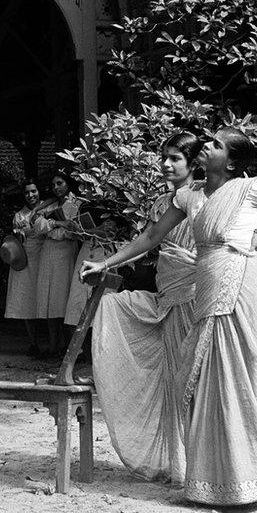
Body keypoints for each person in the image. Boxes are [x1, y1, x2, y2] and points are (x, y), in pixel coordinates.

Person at [82, 127, 257, 508]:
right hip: (209, 290)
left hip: (248, 288)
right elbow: (150, 237)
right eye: (208, 143)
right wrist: (105, 262)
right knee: (202, 380)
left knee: (239, 377)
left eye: (216, 145)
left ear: (232, 160)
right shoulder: (188, 195)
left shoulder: (252, 188)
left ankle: (246, 483)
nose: (206, 147)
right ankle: (213, 483)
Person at [86, 132, 202, 483]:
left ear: (193, 163)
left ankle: (207, 466)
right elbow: (147, 241)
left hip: (197, 296)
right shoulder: (162, 202)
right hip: (167, 297)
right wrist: (106, 264)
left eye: (175, 159)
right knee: (172, 378)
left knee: (194, 381)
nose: (166, 164)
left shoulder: (207, 196)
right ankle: (182, 465)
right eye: (164, 157)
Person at [33, 171, 79, 356]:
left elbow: (71, 232)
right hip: (48, 253)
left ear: (67, 184)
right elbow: (38, 227)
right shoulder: (50, 204)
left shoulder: (75, 204)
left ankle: (68, 346)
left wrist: (51, 226)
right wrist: (57, 224)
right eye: (53, 185)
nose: (56, 188)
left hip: (65, 253)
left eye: (59, 183)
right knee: (48, 299)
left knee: (63, 297)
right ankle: (53, 344)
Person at [3, 179, 46, 356]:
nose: (31, 195)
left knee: (46, 299)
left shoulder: (47, 209)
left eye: (33, 191)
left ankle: (54, 342)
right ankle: (33, 342)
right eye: (27, 192)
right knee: (27, 300)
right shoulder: (19, 215)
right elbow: (17, 241)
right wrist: (18, 231)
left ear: (39, 191)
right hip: (26, 258)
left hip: (44, 256)